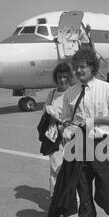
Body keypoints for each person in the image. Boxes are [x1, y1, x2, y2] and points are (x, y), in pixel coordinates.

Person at [50, 47, 109, 217]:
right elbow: (68, 118)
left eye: (82, 67)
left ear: (92, 67)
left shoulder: (107, 88)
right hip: (79, 147)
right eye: (76, 68)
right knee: (83, 196)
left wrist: (96, 120)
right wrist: (64, 127)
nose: (78, 71)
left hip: (101, 145)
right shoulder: (71, 92)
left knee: (105, 193)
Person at [43, 62, 76, 196]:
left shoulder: (74, 93)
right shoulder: (51, 94)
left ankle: (73, 197)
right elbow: (44, 113)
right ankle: (55, 197)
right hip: (54, 136)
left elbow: (79, 115)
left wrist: (67, 123)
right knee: (55, 167)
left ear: (69, 78)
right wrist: (51, 116)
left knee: (72, 169)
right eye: (59, 77)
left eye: (64, 77)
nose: (61, 80)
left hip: (70, 136)